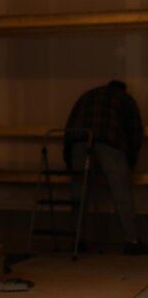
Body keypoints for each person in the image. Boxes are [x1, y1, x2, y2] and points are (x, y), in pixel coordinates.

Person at [63, 80, 147, 255]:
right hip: (109, 141)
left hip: (78, 140)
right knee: (121, 192)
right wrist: (129, 163)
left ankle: (77, 240)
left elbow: (69, 125)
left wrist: (69, 161)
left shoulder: (87, 95)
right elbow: (135, 131)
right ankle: (131, 240)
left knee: (79, 194)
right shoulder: (125, 99)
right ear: (122, 89)